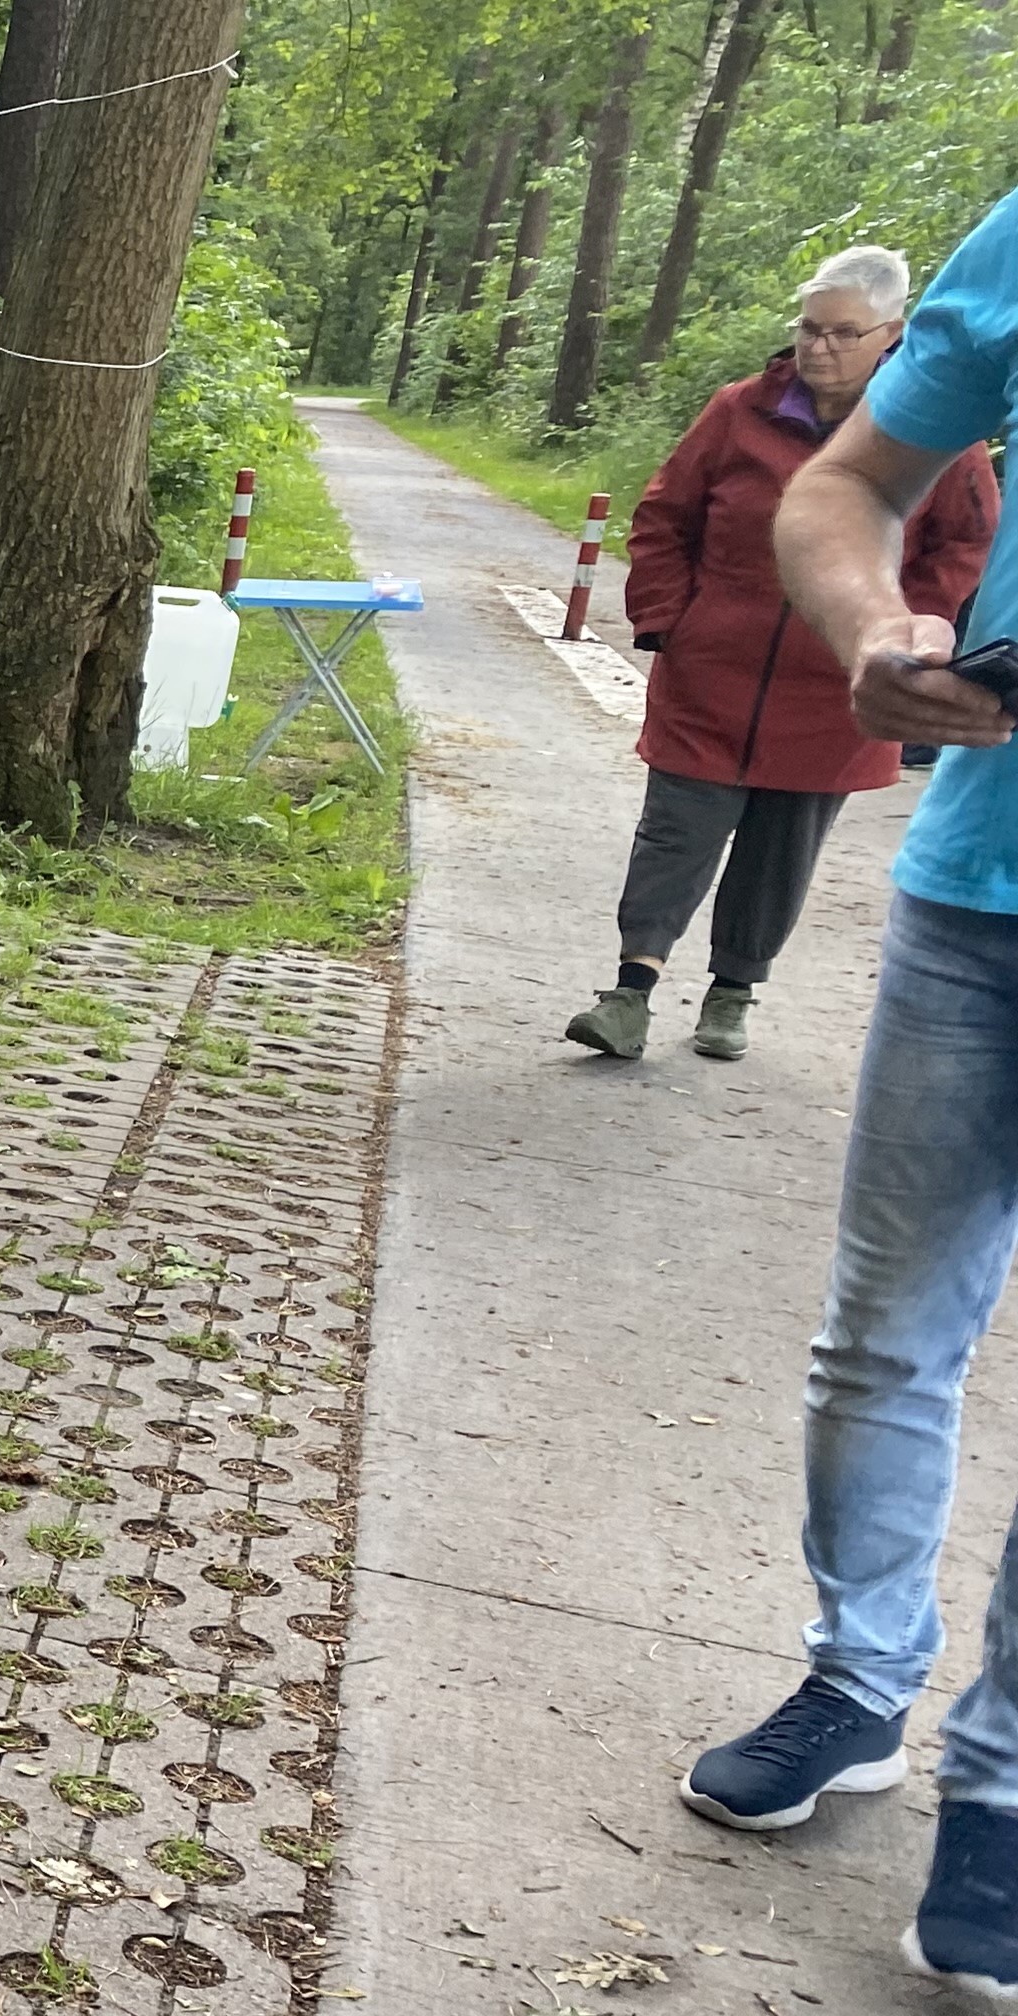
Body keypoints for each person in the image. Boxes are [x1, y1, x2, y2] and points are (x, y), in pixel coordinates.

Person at [700, 192, 1018, 1993]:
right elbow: (839, 493)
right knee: (884, 1331)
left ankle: (1004, 1788)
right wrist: (875, 629)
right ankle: (857, 1678)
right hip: (979, 892)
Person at [563, 248, 996, 1063]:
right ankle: (629, 992)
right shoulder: (738, 412)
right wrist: (668, 621)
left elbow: (964, 542)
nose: (820, 347)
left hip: (838, 685)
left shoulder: (936, 437)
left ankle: (732, 993)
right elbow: (664, 516)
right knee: (676, 831)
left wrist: (910, 627)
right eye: (809, 329)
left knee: (781, 845)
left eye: (842, 333)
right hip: (712, 671)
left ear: (890, 336)